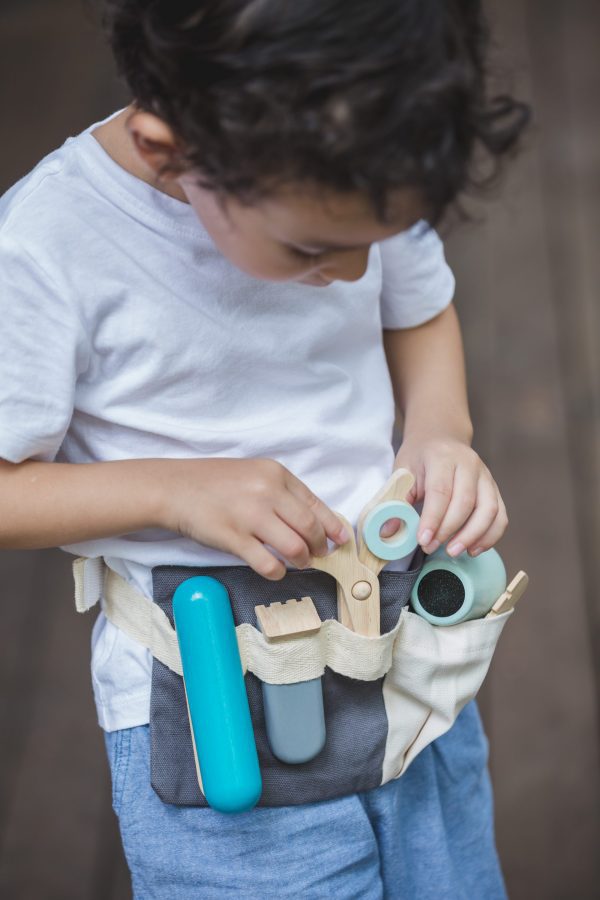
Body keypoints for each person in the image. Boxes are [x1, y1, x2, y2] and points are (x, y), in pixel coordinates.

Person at [0, 1, 528, 896]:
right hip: (216, 725)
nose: (358, 275)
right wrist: (171, 494)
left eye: (375, 240)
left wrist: (441, 430)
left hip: (407, 678)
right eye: (317, 249)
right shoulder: (49, 247)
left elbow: (421, 305)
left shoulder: (363, 149)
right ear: (173, 151)